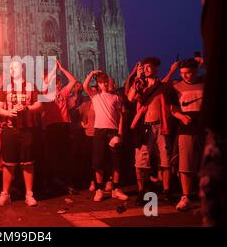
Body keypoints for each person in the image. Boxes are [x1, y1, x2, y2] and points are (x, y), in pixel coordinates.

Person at [0, 60, 43, 207]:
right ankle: (5, 194)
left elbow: (39, 105)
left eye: (14, 67)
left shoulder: (30, 86)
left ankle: (29, 194)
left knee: (27, 163)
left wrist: (27, 108)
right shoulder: (6, 87)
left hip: (26, 129)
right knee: (8, 163)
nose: (12, 70)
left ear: (21, 68)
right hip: (9, 129)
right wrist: (9, 112)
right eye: (10, 68)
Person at [127, 57, 171, 205]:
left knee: (165, 160)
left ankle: (166, 191)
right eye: (143, 67)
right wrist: (137, 78)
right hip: (145, 127)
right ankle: (142, 192)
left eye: (148, 67)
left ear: (156, 68)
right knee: (141, 162)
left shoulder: (162, 86)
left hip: (160, 126)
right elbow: (130, 98)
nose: (145, 69)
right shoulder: (141, 84)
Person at [83, 70, 128, 202]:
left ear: (109, 83)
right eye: (101, 82)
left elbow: (121, 117)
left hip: (112, 131)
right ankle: (99, 189)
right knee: (98, 162)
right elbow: (85, 86)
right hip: (99, 131)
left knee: (116, 162)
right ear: (99, 84)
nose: (104, 84)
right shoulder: (95, 96)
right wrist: (91, 73)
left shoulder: (116, 98)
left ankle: (116, 189)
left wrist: (120, 133)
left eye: (106, 82)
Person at [170, 58, 205, 211]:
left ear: (196, 71)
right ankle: (186, 196)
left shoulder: (205, 84)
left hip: (204, 126)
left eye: (188, 73)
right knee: (185, 163)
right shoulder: (176, 88)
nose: (185, 76)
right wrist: (182, 117)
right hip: (186, 126)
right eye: (182, 73)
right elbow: (172, 109)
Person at [41, 59, 77, 194]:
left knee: (65, 156)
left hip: (64, 125)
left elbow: (73, 81)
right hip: (51, 126)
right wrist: (52, 70)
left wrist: (61, 69)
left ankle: (67, 183)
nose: (55, 84)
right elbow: (44, 83)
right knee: (51, 156)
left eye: (56, 82)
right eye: (54, 82)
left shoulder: (63, 92)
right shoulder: (45, 93)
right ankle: (50, 184)